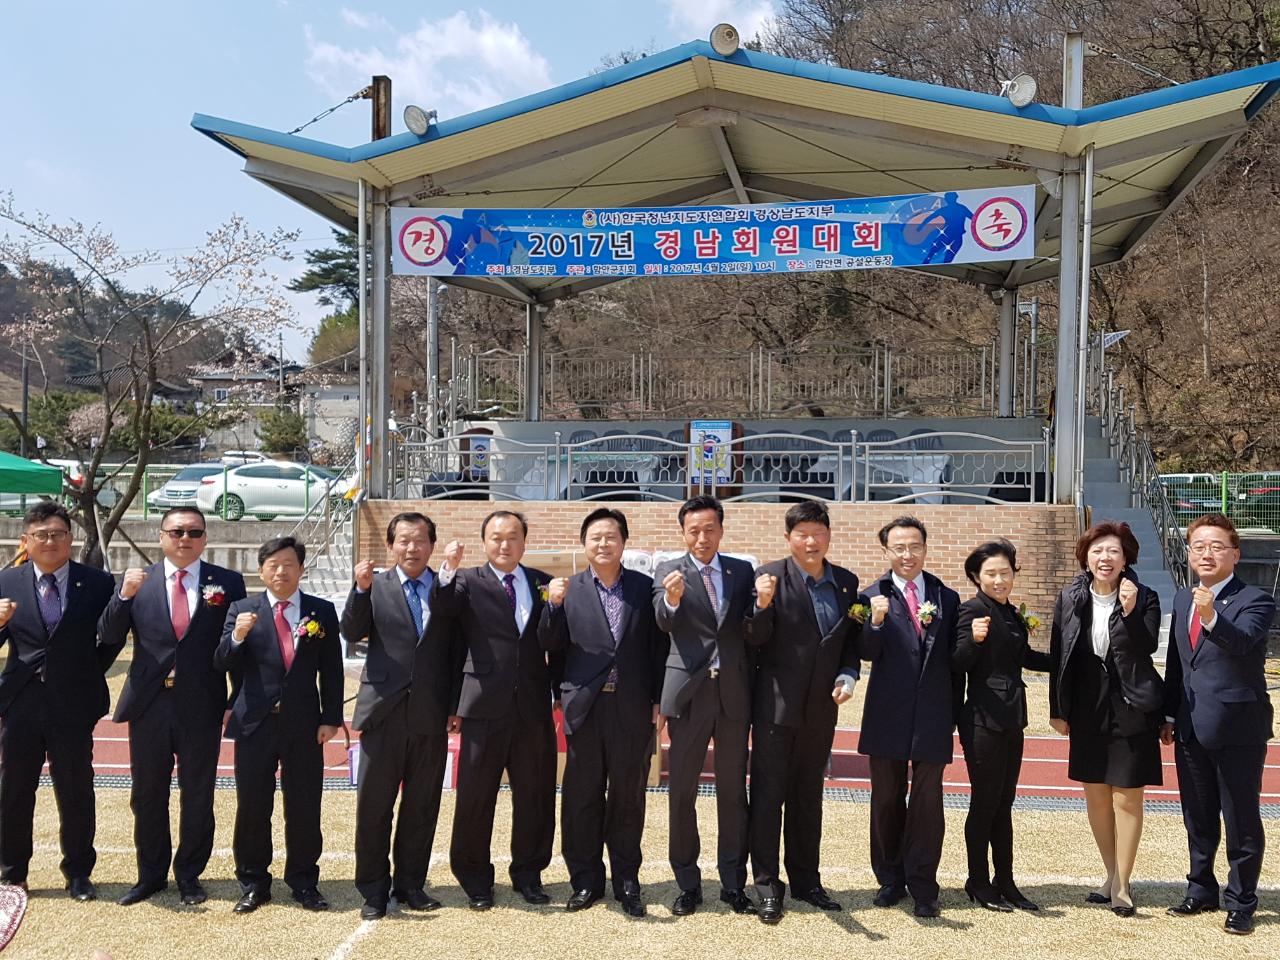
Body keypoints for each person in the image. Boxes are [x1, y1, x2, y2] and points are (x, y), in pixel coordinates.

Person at [98, 507, 247, 906]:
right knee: (147, 793)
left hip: (201, 703)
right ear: (161, 536)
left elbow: (238, 647)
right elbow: (108, 634)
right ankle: (150, 875)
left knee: (197, 792)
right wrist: (123, 596)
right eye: (177, 531)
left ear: (205, 538)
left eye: (195, 532)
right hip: (150, 703)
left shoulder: (227, 582)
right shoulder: (137, 581)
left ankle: (189, 875)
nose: (185, 539)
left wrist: (236, 698)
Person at [538, 508, 667, 918]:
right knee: (581, 796)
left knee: (628, 797)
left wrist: (658, 698)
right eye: (595, 537)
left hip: (632, 706)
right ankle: (585, 880)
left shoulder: (645, 588)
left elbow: (658, 649)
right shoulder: (567, 589)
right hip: (585, 708)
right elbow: (551, 644)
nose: (603, 543)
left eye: (611, 536)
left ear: (624, 542)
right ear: (584, 544)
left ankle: (627, 880)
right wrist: (553, 606)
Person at [430, 510, 560, 911]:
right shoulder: (466, 580)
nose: (505, 544)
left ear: (524, 541)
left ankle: (529, 873)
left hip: (532, 706)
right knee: (476, 795)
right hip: (482, 704)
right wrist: (447, 569)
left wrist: (556, 606)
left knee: (536, 794)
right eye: (497, 537)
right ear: (484, 541)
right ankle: (474, 878)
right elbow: (443, 611)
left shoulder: (541, 582)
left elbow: (556, 641)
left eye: (513, 537)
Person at [745, 499, 860, 925]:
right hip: (775, 707)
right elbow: (753, 639)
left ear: (829, 536)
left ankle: (807, 882)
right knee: (768, 798)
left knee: (808, 798)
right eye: (802, 534)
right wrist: (761, 605)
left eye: (818, 533)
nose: (811, 542)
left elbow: (848, 642)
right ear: (788, 537)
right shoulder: (769, 577)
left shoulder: (845, 582)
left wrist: (849, 674)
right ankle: (766, 886)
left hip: (822, 709)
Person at [215, 536, 343, 914]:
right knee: (253, 805)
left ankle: (304, 881)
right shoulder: (242, 609)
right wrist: (237, 635)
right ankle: (254, 882)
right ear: (261, 571)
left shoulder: (320, 611)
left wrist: (331, 718)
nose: (281, 571)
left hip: (304, 724)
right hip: (255, 722)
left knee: (304, 804)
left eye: (289, 564)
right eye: (273, 565)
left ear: (301, 569)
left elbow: (332, 669)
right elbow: (220, 661)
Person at [1162, 514, 1275, 936]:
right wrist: (1169, 714)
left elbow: (1242, 643)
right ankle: (1201, 888)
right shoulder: (1182, 599)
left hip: (1238, 728)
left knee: (1240, 818)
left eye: (1216, 546)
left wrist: (1211, 616)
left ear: (1235, 555)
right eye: (1198, 546)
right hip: (1190, 725)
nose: (1206, 554)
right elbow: (1178, 663)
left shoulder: (1256, 599)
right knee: (1198, 815)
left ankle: (1242, 901)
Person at [0, 502, 118, 901]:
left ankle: (79, 873)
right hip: (21, 701)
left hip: (74, 702)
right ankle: (13, 872)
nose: (50, 541)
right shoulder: (6, 581)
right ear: (26, 541)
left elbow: (111, 638)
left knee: (76, 789)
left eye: (58, 534)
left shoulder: (98, 582)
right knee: (15, 789)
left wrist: (87, 671)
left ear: (71, 538)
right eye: (41, 535)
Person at [341, 512, 453, 920]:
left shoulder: (447, 588)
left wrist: (454, 707)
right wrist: (359, 589)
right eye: (403, 540)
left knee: (422, 805)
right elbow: (350, 631)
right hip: (383, 712)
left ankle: (411, 885)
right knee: (374, 806)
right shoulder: (375, 585)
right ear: (390, 545)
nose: (412, 548)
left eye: (420, 540)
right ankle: (373, 889)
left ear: (431, 545)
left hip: (430, 712)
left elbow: (457, 650)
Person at [1049, 520, 1162, 918]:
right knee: (1096, 797)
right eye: (1097, 551)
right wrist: (1058, 709)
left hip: (1131, 705)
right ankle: (1110, 875)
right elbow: (1059, 653)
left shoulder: (1145, 598)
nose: (1105, 557)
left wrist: (1129, 611)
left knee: (1126, 797)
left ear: (1126, 558)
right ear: (1086, 558)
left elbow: (1146, 646)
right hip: (1087, 707)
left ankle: (1123, 886)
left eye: (1114, 551)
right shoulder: (1070, 597)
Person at [653, 496, 756, 917]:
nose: (702, 537)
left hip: (732, 693)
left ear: (721, 530)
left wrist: (762, 606)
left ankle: (733, 883)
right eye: (693, 530)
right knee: (682, 791)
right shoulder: (668, 571)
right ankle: (687, 883)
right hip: (688, 695)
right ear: (683, 533)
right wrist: (672, 599)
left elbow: (751, 627)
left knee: (732, 792)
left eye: (709, 529)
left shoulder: (741, 571)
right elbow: (662, 620)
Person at [859, 516, 960, 919]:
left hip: (934, 713)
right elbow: (865, 652)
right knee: (886, 797)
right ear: (886, 551)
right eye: (899, 547)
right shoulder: (870, 596)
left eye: (914, 546)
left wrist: (954, 712)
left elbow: (954, 660)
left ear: (925, 548)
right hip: (887, 714)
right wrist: (875, 622)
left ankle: (923, 885)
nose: (907, 554)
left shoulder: (945, 596)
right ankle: (890, 878)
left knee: (927, 802)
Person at [953, 539, 1051, 913]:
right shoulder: (972, 611)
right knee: (985, 802)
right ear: (976, 577)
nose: (999, 580)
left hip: (1012, 717)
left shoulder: (1011, 613)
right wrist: (974, 640)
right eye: (991, 574)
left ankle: (1005, 880)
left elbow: (1024, 658)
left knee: (1005, 803)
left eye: (1005, 573)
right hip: (982, 719)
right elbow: (956, 662)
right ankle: (977, 881)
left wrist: (1067, 660)